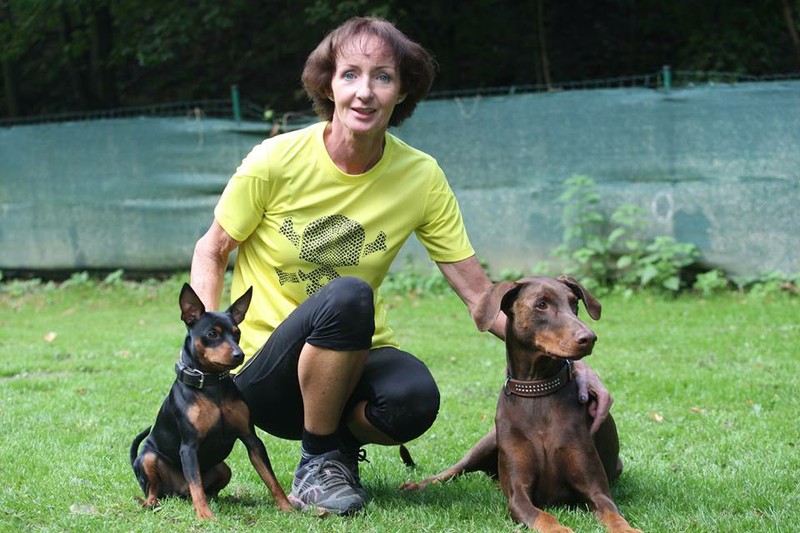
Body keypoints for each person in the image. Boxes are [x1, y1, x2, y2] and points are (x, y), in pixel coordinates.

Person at [190, 16, 612, 516]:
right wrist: (205, 348)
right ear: (328, 85)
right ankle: (318, 460)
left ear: (402, 90)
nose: (364, 92)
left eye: (383, 77)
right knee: (349, 295)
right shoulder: (275, 160)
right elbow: (212, 250)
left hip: (351, 357)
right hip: (266, 370)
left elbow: (482, 297)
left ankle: (334, 449)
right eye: (350, 74)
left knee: (413, 398)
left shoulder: (420, 176)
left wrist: (570, 361)